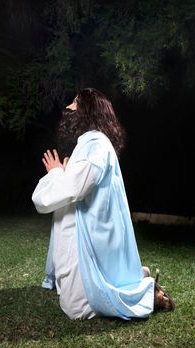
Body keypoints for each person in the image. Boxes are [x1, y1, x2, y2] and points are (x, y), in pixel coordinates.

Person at [32, 88, 175, 320]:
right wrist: (65, 173)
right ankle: (135, 277)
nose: (67, 108)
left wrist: (56, 173)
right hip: (79, 237)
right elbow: (78, 184)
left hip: (84, 241)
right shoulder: (89, 144)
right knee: (72, 298)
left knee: (76, 309)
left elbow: (69, 190)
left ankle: (142, 291)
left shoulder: (96, 145)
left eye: (74, 103)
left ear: (88, 112)